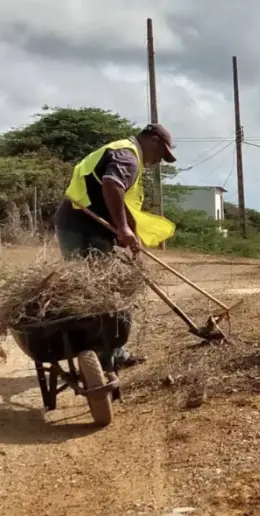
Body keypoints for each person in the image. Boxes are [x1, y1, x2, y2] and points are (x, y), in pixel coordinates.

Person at [54, 123, 177, 371]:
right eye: (161, 154)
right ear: (152, 140)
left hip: (86, 225)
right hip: (82, 226)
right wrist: (122, 228)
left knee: (101, 288)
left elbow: (120, 199)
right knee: (98, 290)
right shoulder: (128, 156)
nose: (158, 162)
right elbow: (111, 184)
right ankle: (102, 354)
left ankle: (110, 351)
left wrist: (129, 233)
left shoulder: (124, 153)